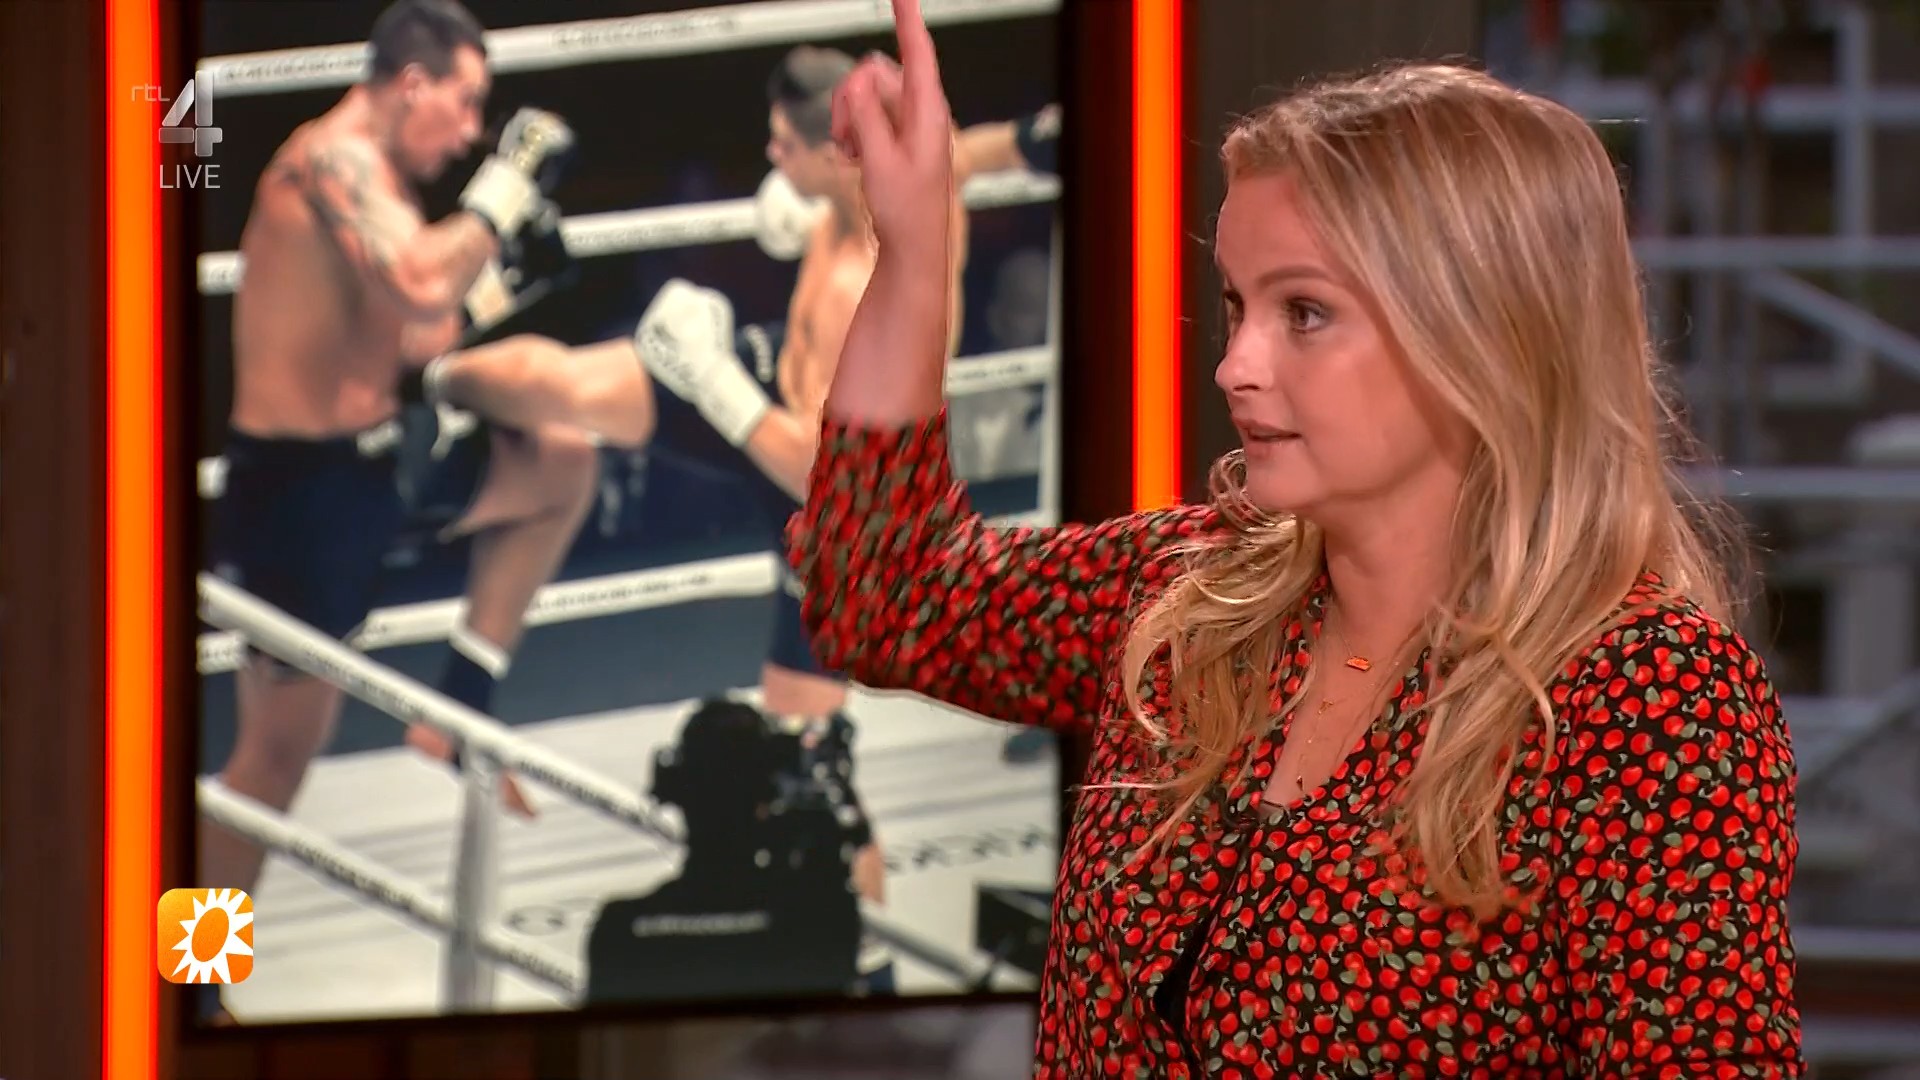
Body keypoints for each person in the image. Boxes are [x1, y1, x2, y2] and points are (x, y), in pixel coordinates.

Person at [787, 1, 1804, 1076]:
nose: (1235, 366)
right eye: (1238, 306)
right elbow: (887, 598)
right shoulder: (1192, 597)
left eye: (1304, 314)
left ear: (1479, 334)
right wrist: (914, 246)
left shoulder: (1648, 696)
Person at [405, 47, 1056, 986]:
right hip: (775, 404)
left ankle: (868, 980)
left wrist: (713, 382)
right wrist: (1038, 139)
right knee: (565, 386)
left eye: (782, 146)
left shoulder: (868, 284)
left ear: (836, 154)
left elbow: (828, 479)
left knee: (812, 775)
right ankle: (428, 399)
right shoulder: (907, 167)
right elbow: (986, 148)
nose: (767, 158)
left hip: (830, 501)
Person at [203, 0, 599, 919]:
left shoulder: (382, 180)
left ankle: (461, 701)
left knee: (560, 463)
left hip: (383, 462)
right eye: (465, 104)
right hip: (304, 495)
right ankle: (187, 974)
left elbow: (415, 334)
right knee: (271, 765)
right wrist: (506, 187)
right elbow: (420, 279)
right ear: (413, 84)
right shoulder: (331, 161)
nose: (469, 133)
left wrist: (507, 280)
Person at [582, 698, 864, 1005]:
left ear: (680, 794)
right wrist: (820, 846)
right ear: (767, 799)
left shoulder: (620, 930)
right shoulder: (815, 921)